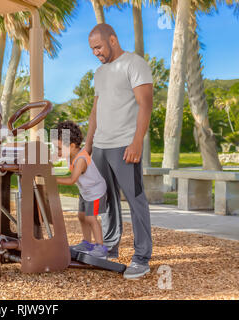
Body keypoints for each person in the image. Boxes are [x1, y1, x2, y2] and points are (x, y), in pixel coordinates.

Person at [85, 23, 153, 279]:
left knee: (135, 200)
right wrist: (89, 145)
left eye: (98, 47)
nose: (96, 53)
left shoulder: (135, 64)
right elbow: (96, 111)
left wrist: (137, 142)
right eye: (92, 49)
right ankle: (110, 246)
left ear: (112, 39)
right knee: (106, 200)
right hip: (101, 145)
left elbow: (145, 104)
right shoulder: (99, 73)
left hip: (125, 145)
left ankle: (142, 258)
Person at [55, 121, 109, 259]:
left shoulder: (80, 160)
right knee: (81, 216)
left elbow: (72, 180)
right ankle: (87, 243)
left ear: (72, 146)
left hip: (96, 192)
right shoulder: (71, 155)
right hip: (86, 192)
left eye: (59, 148)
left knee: (91, 218)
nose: (57, 151)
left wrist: (52, 179)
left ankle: (100, 247)